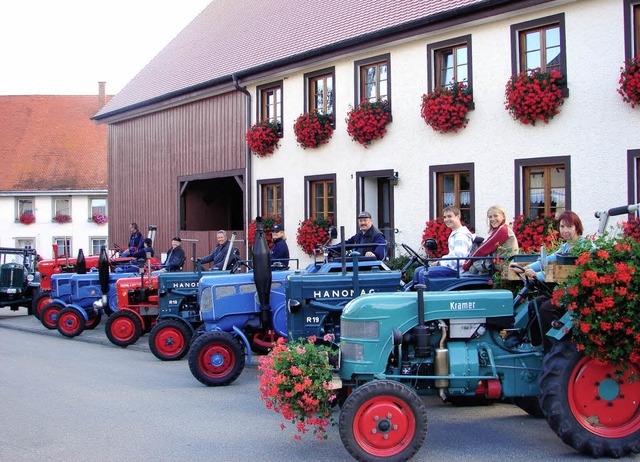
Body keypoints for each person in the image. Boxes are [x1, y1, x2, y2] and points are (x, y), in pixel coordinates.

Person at [507, 210, 585, 349]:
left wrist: (539, 275)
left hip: (578, 295)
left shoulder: (584, 246)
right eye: (562, 227)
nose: (565, 230)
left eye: (569, 227)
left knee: (546, 308)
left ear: (577, 227)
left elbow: (570, 271)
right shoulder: (567, 246)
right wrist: (524, 268)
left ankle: (553, 349)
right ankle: (537, 345)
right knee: (533, 305)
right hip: (566, 292)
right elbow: (548, 259)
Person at [413, 205, 474, 284]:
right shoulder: (456, 233)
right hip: (452, 267)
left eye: (449, 216)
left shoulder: (461, 235)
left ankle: (423, 295)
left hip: (457, 270)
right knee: (418, 270)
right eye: (445, 217)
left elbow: (459, 259)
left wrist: (440, 263)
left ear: (458, 216)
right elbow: (453, 256)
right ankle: (415, 294)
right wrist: (439, 261)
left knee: (423, 273)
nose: (446, 219)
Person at [462, 205, 519, 274]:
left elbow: (484, 249)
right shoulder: (501, 229)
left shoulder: (503, 230)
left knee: (472, 270)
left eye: (495, 216)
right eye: (490, 217)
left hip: (503, 265)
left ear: (503, 216)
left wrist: (467, 264)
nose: (492, 219)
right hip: (501, 264)